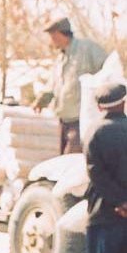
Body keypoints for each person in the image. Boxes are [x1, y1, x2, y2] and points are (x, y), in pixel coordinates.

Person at [74, 82, 127, 253]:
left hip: (104, 216)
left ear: (98, 106)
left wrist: (119, 201)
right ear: (124, 102)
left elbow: (96, 172)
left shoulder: (95, 131)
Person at [37, 17, 108, 154]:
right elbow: (53, 86)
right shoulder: (61, 59)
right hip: (64, 121)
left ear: (58, 34)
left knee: (72, 160)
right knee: (63, 163)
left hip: (81, 120)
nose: (51, 40)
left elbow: (108, 71)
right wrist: (41, 100)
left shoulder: (87, 48)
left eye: (52, 36)